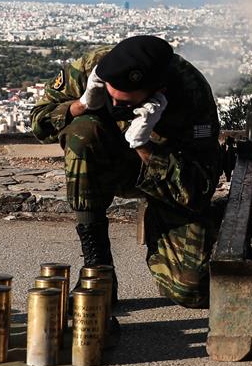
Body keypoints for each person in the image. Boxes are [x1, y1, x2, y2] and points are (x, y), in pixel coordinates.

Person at [30, 34, 223, 309]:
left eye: (126, 103)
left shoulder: (191, 91)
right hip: (107, 168)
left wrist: (145, 145)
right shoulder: (94, 67)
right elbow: (38, 123)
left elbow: (197, 189)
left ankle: (202, 218)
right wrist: (81, 105)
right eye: (112, 98)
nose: (118, 107)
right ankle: (98, 266)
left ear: (158, 91)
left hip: (165, 181)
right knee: (81, 133)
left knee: (190, 289)